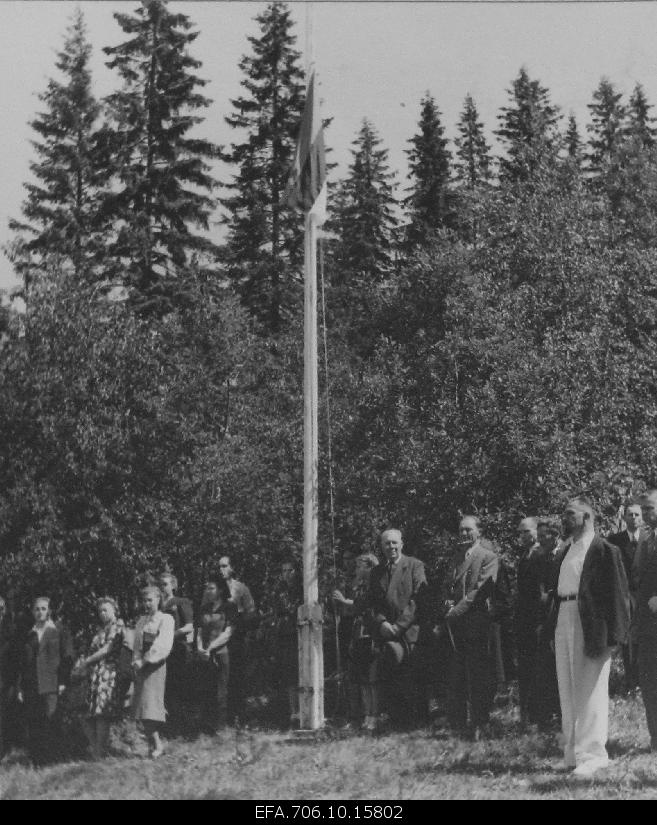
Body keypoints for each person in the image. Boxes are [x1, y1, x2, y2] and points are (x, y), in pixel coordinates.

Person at [545, 497, 630, 776]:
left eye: (571, 514)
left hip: (591, 625)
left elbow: (617, 596)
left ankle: (593, 755)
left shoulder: (605, 550)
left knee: (590, 689)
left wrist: (615, 638)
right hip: (564, 617)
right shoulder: (566, 550)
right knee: (567, 688)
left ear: (587, 517)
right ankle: (572, 754)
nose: (565, 519)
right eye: (564, 514)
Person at [437, 516, 498, 738]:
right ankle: (458, 724)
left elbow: (479, 592)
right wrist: (446, 602)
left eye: (468, 530)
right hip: (456, 628)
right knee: (457, 674)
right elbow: (447, 586)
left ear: (478, 532)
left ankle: (480, 722)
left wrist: (456, 611)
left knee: (478, 674)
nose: (463, 534)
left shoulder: (488, 557)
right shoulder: (456, 558)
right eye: (461, 530)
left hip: (476, 624)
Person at [367, 528, 426, 729]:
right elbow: (373, 603)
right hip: (387, 633)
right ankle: (396, 721)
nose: (391, 547)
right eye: (386, 543)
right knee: (390, 677)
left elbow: (418, 599)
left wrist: (399, 626)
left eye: (394, 543)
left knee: (412, 677)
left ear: (402, 544)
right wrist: (382, 622)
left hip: (409, 632)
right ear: (381, 547)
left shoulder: (415, 566)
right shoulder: (376, 572)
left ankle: (416, 721)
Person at [17, 596, 74, 765]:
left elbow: (68, 656)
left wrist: (63, 680)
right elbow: (23, 662)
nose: (40, 612)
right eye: (37, 609)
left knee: (51, 720)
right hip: (32, 685)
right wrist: (20, 687)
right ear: (32, 612)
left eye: (43, 608)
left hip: (52, 683)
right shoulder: (30, 634)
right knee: (35, 723)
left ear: (49, 611)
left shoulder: (59, 630)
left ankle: (53, 760)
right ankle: (38, 761)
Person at [332, 552, 379, 729]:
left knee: (371, 678)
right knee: (361, 677)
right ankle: (366, 714)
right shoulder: (359, 585)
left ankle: (374, 715)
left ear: (370, 567)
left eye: (360, 566)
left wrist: (345, 601)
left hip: (370, 631)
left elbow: (364, 605)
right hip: (358, 631)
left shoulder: (374, 585)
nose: (357, 569)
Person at [78, 597, 126, 760]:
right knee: (86, 714)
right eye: (100, 611)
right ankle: (97, 749)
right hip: (95, 673)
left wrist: (88, 660)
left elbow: (108, 649)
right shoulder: (100, 629)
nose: (102, 613)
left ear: (114, 610)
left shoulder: (118, 625)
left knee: (101, 713)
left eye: (106, 610)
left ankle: (99, 753)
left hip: (108, 672)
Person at [514, 516, 550, 727]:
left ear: (536, 531)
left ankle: (539, 716)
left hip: (536, 620)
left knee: (538, 668)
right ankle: (528, 716)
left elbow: (542, 592)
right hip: (524, 621)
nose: (523, 536)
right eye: (520, 532)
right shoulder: (525, 556)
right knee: (526, 668)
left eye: (526, 531)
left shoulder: (540, 555)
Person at [132, 585, 175, 759]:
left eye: (150, 600)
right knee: (141, 708)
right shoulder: (142, 621)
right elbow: (137, 645)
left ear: (158, 599)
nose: (147, 604)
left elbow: (162, 645)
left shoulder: (165, 619)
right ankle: (153, 744)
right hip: (142, 666)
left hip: (155, 665)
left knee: (149, 706)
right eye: (144, 600)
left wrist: (144, 660)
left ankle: (157, 744)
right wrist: (136, 660)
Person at [608, 502, 646, 691]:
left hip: (645, 597)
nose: (634, 518)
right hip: (624, 597)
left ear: (642, 517)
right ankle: (631, 682)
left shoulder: (649, 539)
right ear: (624, 518)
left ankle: (646, 681)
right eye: (630, 515)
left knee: (646, 640)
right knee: (629, 641)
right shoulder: (614, 540)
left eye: (637, 515)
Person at [196, 576, 237, 734]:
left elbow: (228, 632)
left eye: (212, 588)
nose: (208, 591)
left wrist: (211, 647)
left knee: (221, 690)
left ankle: (221, 727)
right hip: (204, 655)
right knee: (206, 690)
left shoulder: (229, 607)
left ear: (220, 590)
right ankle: (206, 727)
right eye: (207, 588)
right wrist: (200, 647)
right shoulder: (204, 608)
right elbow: (199, 631)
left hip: (220, 653)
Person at [218, 555, 257, 723]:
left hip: (236, 636)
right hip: (217, 634)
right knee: (220, 676)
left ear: (232, 567)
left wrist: (239, 624)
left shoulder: (241, 588)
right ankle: (220, 715)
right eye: (219, 566)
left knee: (236, 675)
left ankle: (238, 715)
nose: (221, 570)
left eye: (225, 566)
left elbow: (251, 613)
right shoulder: (214, 589)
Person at [633, 490, 657, 751]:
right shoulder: (646, 539)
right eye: (645, 510)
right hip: (647, 623)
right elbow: (637, 577)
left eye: (651, 509)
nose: (647, 514)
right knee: (649, 681)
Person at [159, 573, 194, 733]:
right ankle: (170, 725)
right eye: (161, 584)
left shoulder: (181, 602)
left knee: (179, 686)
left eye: (166, 584)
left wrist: (170, 635)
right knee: (166, 688)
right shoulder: (157, 605)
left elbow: (189, 627)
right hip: (161, 651)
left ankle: (184, 726)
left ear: (173, 585)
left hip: (178, 649)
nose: (163, 587)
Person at [271, 558, 303, 727]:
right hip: (285, 635)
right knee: (289, 675)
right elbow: (277, 612)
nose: (287, 574)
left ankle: (303, 710)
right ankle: (293, 712)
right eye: (283, 571)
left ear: (296, 572)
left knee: (301, 673)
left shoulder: (302, 590)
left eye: (290, 570)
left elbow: (294, 610)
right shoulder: (279, 591)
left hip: (300, 634)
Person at [0, 596, 16, 760]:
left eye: (1, 608)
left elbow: (15, 656)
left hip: (6, 680)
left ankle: (4, 751)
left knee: (5, 716)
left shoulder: (10, 629)